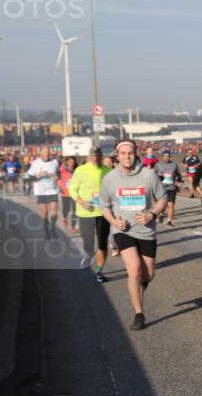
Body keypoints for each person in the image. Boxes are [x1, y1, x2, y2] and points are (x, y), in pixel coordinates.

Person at [99, 140, 167, 330]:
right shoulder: (110, 179)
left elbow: (162, 198)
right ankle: (139, 314)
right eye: (123, 153)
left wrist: (151, 214)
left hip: (146, 230)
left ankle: (141, 284)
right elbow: (104, 205)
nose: (127, 156)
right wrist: (114, 222)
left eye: (130, 153)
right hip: (123, 230)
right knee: (134, 269)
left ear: (135, 154)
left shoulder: (148, 175)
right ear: (117, 155)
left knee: (148, 274)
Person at [69, 147, 111, 282]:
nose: (96, 158)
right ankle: (89, 253)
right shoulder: (81, 170)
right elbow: (72, 189)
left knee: (102, 243)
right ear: (89, 157)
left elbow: (114, 190)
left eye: (98, 155)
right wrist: (81, 202)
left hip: (103, 211)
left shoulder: (107, 171)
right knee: (88, 243)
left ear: (102, 156)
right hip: (85, 212)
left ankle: (99, 272)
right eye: (93, 155)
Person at [25, 146, 61, 240]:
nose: (46, 154)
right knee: (44, 214)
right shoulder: (35, 163)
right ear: (40, 153)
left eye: (48, 152)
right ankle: (46, 233)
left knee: (54, 213)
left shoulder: (55, 162)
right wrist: (39, 176)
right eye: (44, 152)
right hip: (41, 191)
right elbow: (29, 177)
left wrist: (56, 177)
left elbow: (58, 173)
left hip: (53, 190)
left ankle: (52, 229)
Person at [154, 151, 182, 226]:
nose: (166, 157)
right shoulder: (158, 164)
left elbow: (178, 174)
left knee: (171, 205)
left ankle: (169, 221)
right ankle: (162, 214)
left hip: (171, 188)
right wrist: (159, 177)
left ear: (170, 157)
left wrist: (178, 179)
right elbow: (153, 175)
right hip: (161, 188)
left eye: (168, 156)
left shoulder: (174, 165)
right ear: (163, 157)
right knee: (162, 205)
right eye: (165, 156)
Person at [58, 155, 79, 232]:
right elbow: (58, 179)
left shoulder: (77, 170)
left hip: (75, 193)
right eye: (70, 162)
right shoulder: (62, 169)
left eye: (73, 162)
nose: (71, 163)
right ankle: (64, 218)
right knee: (66, 209)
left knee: (75, 210)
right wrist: (60, 187)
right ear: (67, 162)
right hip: (65, 192)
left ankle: (73, 226)